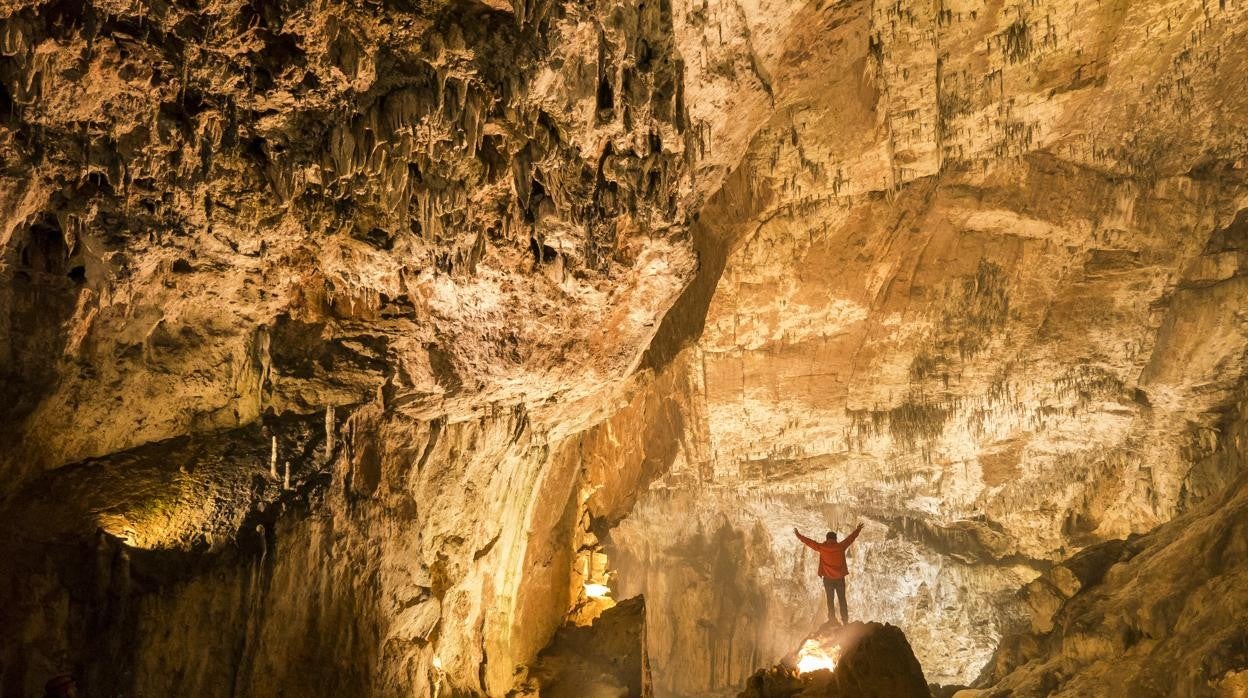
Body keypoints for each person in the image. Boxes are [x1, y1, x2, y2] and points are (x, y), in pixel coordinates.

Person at [794, 523, 864, 624]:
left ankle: (832, 620)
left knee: (830, 601)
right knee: (842, 600)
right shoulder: (841, 546)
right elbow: (851, 538)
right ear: (835, 539)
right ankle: (845, 621)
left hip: (828, 580)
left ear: (827, 539)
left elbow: (809, 542)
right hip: (839, 579)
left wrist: (798, 535)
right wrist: (858, 530)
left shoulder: (821, 547)